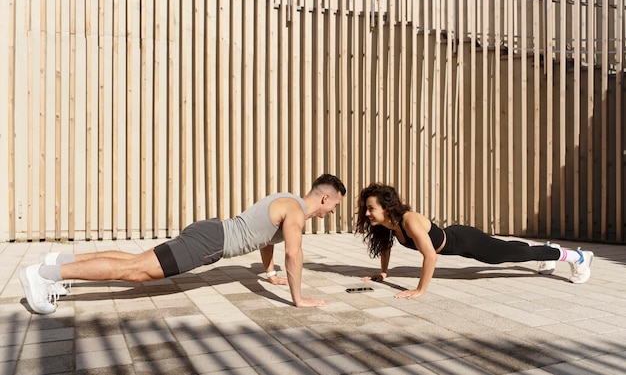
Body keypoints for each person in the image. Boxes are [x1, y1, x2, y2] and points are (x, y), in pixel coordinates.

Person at [19, 174, 346, 314]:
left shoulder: (288, 203)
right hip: (210, 242)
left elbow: (267, 239)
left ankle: (58, 259)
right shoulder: (296, 213)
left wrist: (269, 272)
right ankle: (45, 275)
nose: (333, 212)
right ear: (326, 197)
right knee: (135, 273)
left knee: (135, 261)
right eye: (335, 205)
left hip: (211, 231)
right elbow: (294, 252)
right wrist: (298, 298)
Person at [355, 183, 594, 300]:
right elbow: (385, 247)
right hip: (458, 242)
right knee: (508, 250)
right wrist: (383, 273)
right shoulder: (388, 225)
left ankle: (577, 257)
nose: (367, 213)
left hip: (466, 241)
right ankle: (545, 250)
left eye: (371, 208)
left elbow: (430, 255)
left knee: (507, 255)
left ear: (387, 207)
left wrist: (419, 290)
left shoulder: (409, 221)